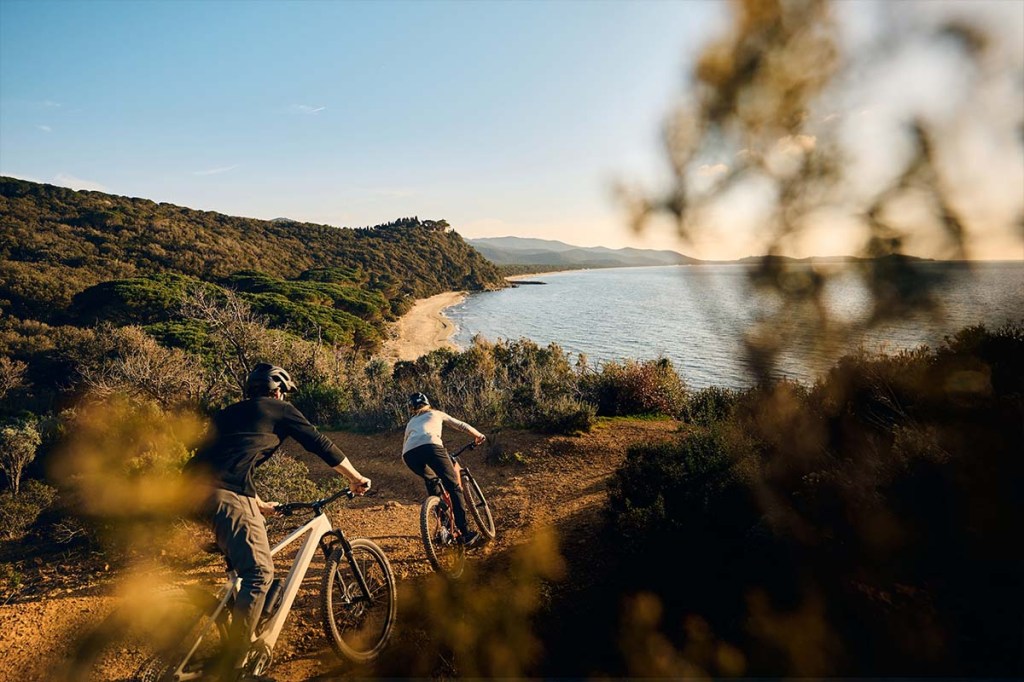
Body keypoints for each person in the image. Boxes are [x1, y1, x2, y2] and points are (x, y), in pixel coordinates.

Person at [183, 363, 371, 682]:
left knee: (244, 573)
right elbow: (319, 443)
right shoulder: (280, 408)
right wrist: (355, 478)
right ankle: (236, 667)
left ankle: (227, 625)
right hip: (224, 495)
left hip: (190, 494)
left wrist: (256, 503)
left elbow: (230, 461)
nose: (283, 396)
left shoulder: (227, 414)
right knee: (259, 571)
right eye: (282, 391)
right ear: (277, 390)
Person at [402, 392, 486, 547]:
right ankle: (465, 533)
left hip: (409, 455)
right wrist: (478, 435)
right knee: (453, 487)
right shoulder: (436, 413)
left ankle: (445, 529)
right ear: (428, 403)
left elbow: (407, 443)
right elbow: (460, 425)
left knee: (433, 483)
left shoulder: (411, 422)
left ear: (412, 408)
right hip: (432, 447)